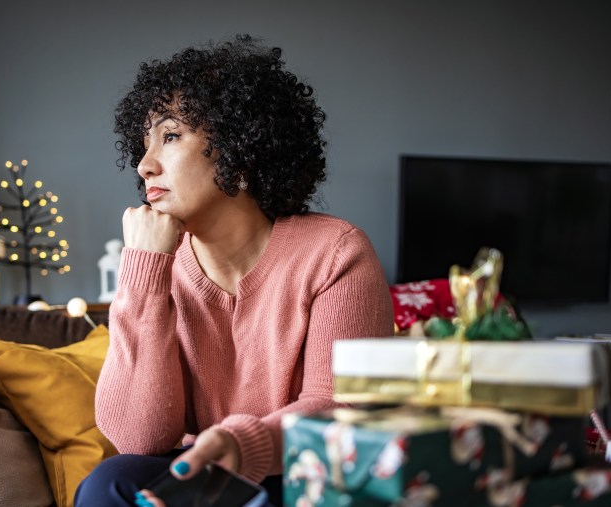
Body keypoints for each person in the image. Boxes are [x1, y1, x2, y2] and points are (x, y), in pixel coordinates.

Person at [75, 34, 394, 507]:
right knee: (111, 481)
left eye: (170, 136)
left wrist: (243, 446)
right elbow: (140, 438)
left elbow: (343, 408)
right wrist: (143, 271)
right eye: (143, 144)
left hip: (304, 475)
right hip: (208, 478)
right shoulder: (163, 265)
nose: (144, 165)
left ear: (236, 146)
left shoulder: (335, 251)